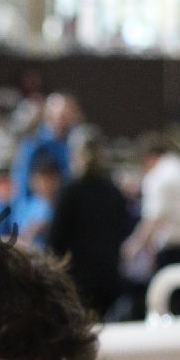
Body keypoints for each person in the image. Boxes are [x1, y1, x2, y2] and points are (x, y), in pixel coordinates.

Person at [120, 134, 180, 317]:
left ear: (149, 158)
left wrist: (133, 247)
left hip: (172, 253)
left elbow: (153, 219)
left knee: (166, 308)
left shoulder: (158, 176)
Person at [47, 127, 133, 318]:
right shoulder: (113, 191)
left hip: (77, 277)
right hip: (108, 275)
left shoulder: (70, 190)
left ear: (74, 154)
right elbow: (123, 229)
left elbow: (56, 238)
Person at [10, 92, 79, 228]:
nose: (65, 120)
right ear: (48, 115)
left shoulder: (74, 145)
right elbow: (21, 190)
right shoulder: (34, 145)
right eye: (61, 115)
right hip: (38, 218)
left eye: (68, 115)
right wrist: (25, 221)